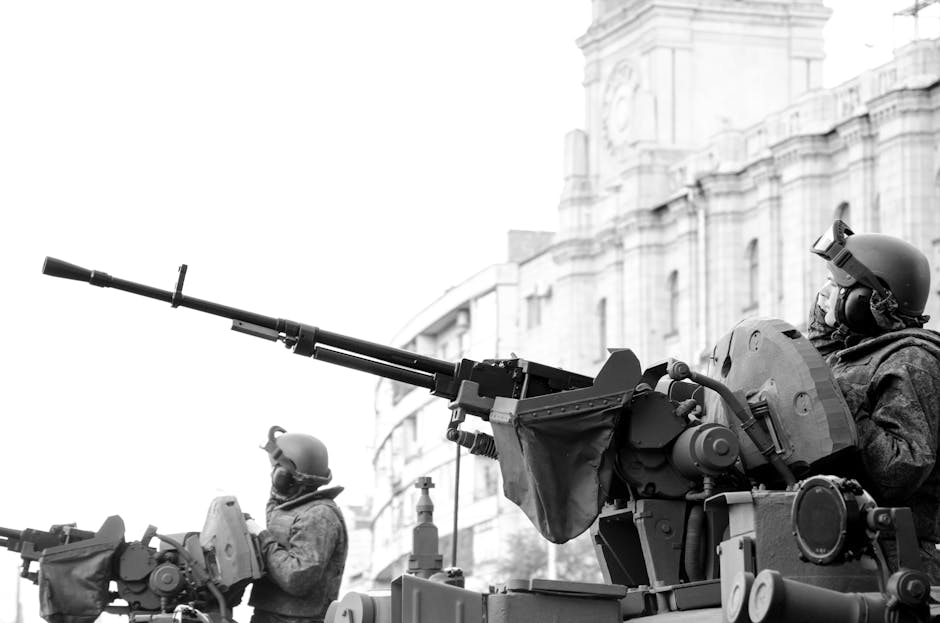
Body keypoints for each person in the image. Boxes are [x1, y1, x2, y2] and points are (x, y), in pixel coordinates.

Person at [808, 220, 940, 581]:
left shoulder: (912, 360)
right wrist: (830, 312)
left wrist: (843, 404)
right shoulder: (857, 351)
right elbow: (813, 361)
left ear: (866, 302)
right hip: (848, 545)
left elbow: (902, 468)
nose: (822, 293)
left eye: (836, 286)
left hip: (895, 559)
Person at [246, 426, 348, 623]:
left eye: (277, 470)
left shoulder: (319, 516)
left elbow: (297, 577)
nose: (272, 475)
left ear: (286, 477)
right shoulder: (291, 508)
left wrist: (261, 537)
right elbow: (275, 510)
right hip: (274, 617)